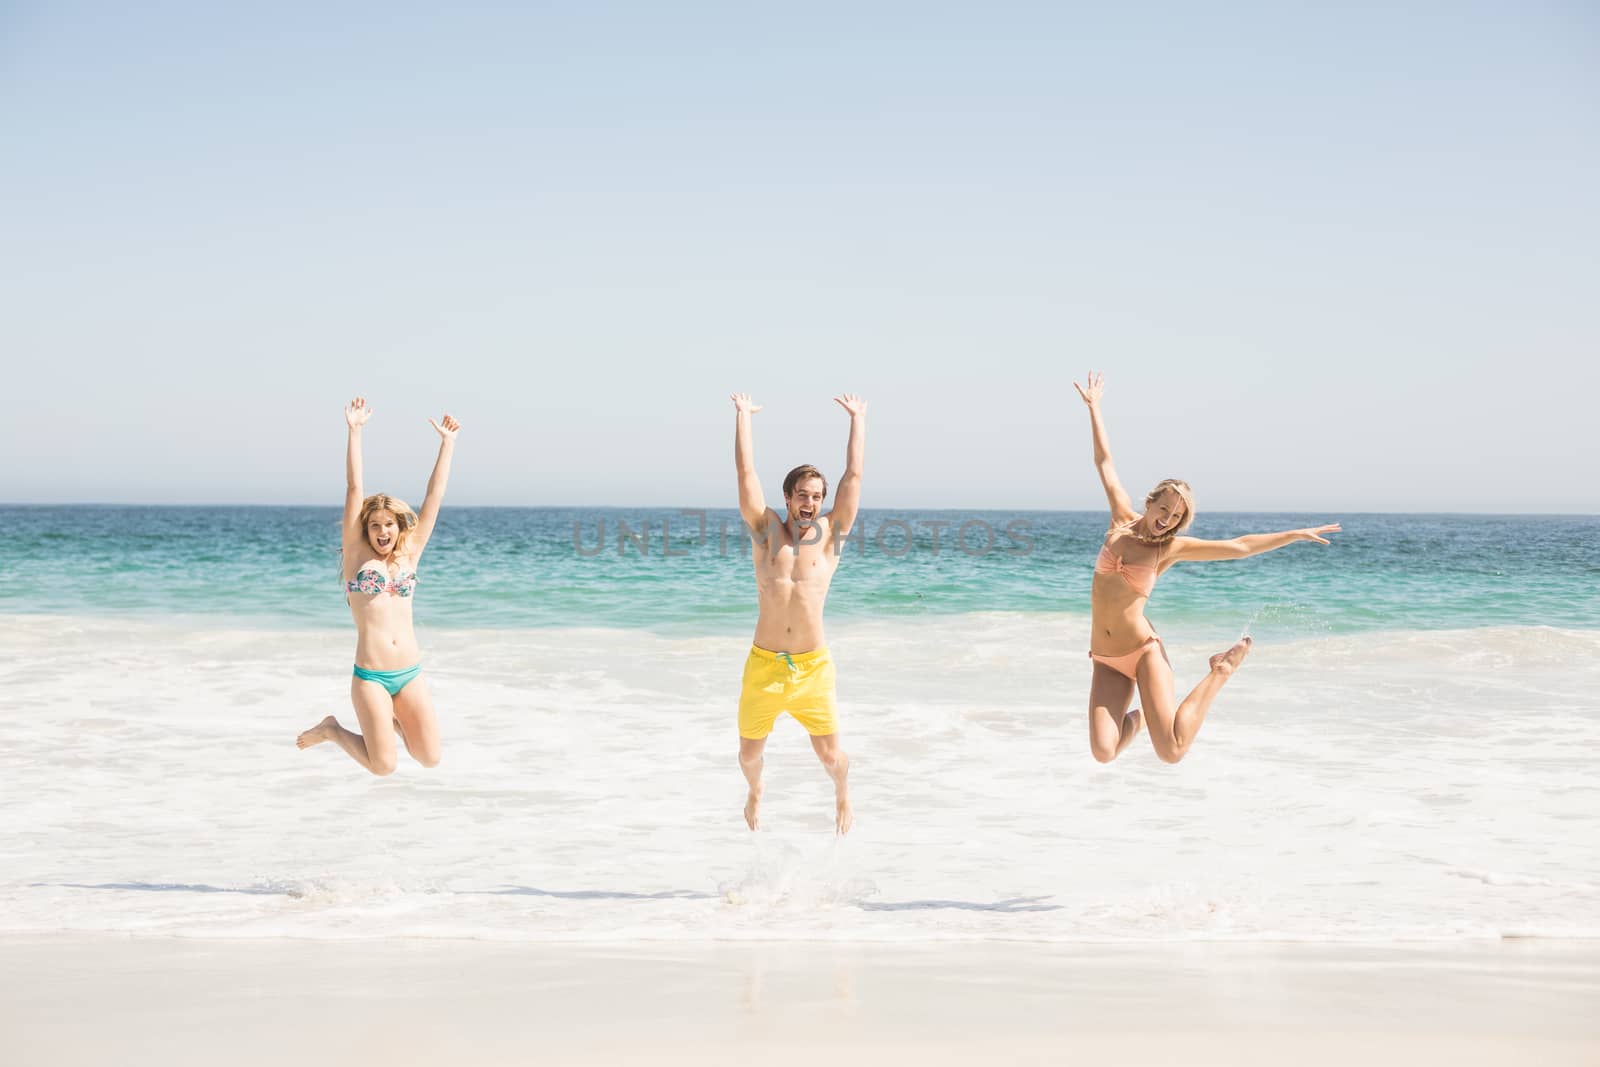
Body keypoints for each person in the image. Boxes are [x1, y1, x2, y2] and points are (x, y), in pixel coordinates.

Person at [1075, 372, 1338, 764]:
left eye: (1176, 516)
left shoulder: (1170, 549)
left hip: (1143, 651)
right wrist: (1095, 408)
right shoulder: (1119, 521)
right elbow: (1104, 462)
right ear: (1150, 503)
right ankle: (1145, 718)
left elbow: (1238, 547)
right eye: (1164, 508)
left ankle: (1221, 669)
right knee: (1103, 751)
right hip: (1105, 657)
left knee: (1173, 751)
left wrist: (1295, 533)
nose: (1166, 519)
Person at [297, 396, 460, 774]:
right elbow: (355, 488)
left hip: (410, 673)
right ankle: (333, 730)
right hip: (371, 676)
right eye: (375, 525)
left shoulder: (410, 554)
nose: (382, 531)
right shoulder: (357, 558)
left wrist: (447, 445)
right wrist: (354, 432)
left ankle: (394, 721)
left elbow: (434, 497)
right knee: (383, 766)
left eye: (389, 524)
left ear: (399, 527)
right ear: (366, 529)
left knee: (430, 758)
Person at [731, 392, 865, 834]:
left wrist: (857, 420)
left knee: (831, 757)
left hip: (812, 668)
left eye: (817, 496)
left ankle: (844, 793)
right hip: (764, 667)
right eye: (803, 495)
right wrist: (743, 417)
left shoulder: (830, 536)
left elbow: (854, 475)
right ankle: (755, 791)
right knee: (748, 756)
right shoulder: (765, 532)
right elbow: (745, 473)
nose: (810, 502)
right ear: (787, 498)